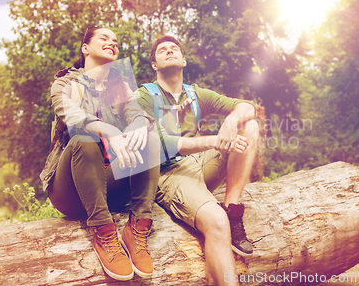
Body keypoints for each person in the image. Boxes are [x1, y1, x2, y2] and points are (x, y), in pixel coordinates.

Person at [39, 27, 160, 281]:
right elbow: (73, 118)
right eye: (104, 38)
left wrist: (139, 121)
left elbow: (137, 111)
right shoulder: (64, 84)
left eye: (115, 41)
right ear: (86, 48)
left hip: (110, 187)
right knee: (85, 136)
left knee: (149, 135)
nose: (112, 43)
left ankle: (137, 229)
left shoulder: (121, 86)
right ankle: (104, 232)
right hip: (70, 193)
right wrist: (109, 131)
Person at [136, 36, 259, 285]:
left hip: (199, 164)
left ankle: (233, 210)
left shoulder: (195, 93)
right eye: (162, 50)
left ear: (183, 60)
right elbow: (160, 145)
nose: (169, 51)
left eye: (174, 49)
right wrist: (214, 139)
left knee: (250, 125)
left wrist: (230, 121)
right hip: (168, 173)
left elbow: (247, 107)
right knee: (216, 221)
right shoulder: (144, 96)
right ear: (155, 65)